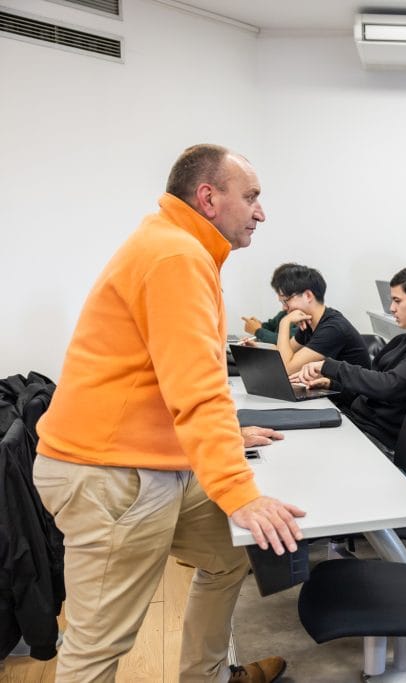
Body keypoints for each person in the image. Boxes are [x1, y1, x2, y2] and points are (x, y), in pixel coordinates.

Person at [33, 144, 303, 681]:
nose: (261, 212)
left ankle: (206, 676)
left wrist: (228, 432)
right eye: (250, 197)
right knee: (96, 648)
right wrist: (241, 492)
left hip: (147, 462)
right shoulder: (176, 256)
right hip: (110, 474)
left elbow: (171, 375)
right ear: (208, 197)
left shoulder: (177, 246)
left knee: (229, 552)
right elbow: (196, 387)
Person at [292, 266, 406, 451]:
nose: (391, 308)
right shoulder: (405, 339)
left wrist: (330, 366)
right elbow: (372, 388)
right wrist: (332, 385)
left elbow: (388, 386)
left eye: (397, 301)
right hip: (362, 425)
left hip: (378, 439)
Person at [271, 263, 371, 374]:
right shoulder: (310, 323)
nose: (284, 308)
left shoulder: (333, 328)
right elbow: (282, 356)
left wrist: (284, 323)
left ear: (308, 296)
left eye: (286, 301)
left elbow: (286, 368)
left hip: (351, 391)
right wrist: (256, 349)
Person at [240, 263, 299, 343]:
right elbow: (270, 326)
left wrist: (258, 331)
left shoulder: (307, 321)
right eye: (282, 302)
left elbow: (287, 341)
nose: (284, 308)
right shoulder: (283, 314)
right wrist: (257, 325)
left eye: (286, 301)